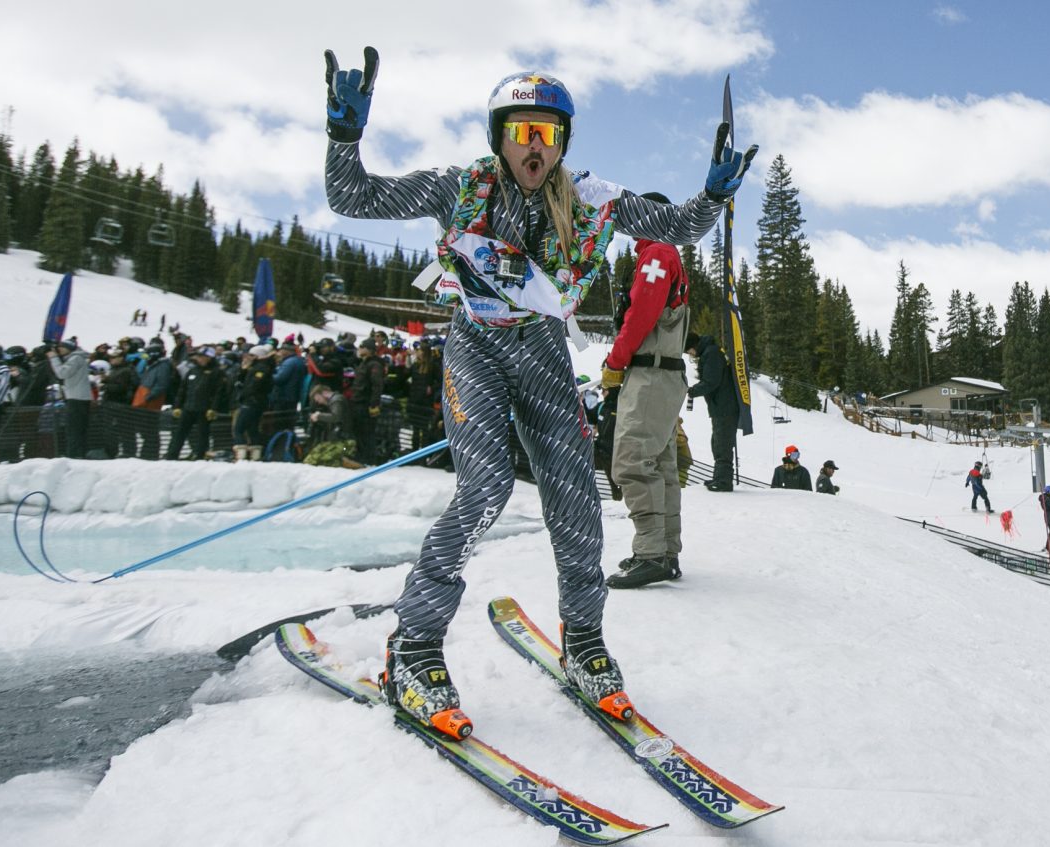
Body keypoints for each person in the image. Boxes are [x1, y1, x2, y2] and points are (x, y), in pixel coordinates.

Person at [322, 47, 755, 736]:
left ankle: (584, 641)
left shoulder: (590, 200)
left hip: (545, 351)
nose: (535, 147)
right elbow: (352, 197)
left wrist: (713, 196)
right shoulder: (458, 188)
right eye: (522, 131)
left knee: (576, 497)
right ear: (499, 136)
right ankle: (414, 644)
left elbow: (675, 229)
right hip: (478, 346)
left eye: (548, 135)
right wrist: (344, 138)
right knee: (487, 487)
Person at [603, 214, 690, 589]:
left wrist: (615, 362)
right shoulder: (667, 254)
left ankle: (651, 554)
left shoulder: (655, 254)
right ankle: (665, 553)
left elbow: (640, 316)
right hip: (667, 374)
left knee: (633, 461)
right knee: (662, 465)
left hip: (650, 372)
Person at [685, 332, 739, 491]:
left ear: (694, 346)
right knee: (717, 442)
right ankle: (719, 477)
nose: (690, 354)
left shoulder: (711, 354)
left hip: (724, 406)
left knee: (722, 443)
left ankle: (723, 481)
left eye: (689, 351)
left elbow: (711, 381)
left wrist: (693, 391)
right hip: (721, 406)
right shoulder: (710, 352)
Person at [165, 347, 228, 460]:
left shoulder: (217, 372)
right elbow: (183, 389)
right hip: (188, 407)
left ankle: (200, 456)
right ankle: (172, 455)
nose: (199, 359)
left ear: (209, 358)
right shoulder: (193, 371)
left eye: (202, 357)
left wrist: (213, 408)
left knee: (202, 434)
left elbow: (219, 392)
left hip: (204, 409)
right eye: (199, 357)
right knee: (179, 432)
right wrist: (177, 406)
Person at [47, 339, 91, 459]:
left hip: (77, 398)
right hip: (77, 397)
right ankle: (77, 454)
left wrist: (54, 358)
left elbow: (62, 373)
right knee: (76, 429)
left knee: (74, 430)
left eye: (62, 347)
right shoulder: (76, 358)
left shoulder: (75, 358)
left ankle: (75, 455)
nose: (59, 349)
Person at [351, 337, 386, 464]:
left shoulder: (374, 365)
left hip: (365, 403)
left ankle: (368, 457)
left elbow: (377, 386)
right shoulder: (363, 363)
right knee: (359, 430)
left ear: (369, 350)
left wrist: (373, 404)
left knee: (366, 431)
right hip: (358, 401)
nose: (360, 349)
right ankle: (361, 454)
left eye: (362, 347)